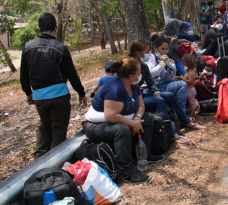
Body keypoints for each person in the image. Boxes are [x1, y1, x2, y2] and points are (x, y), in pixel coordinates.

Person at [20, 12, 87, 159]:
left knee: (45, 126)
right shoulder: (60, 48)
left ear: (38, 28)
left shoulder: (28, 47)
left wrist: (28, 93)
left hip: (39, 97)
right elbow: (71, 74)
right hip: (59, 97)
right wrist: (81, 93)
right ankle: (57, 163)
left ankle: (38, 162)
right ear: (55, 28)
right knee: (58, 128)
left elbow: (24, 75)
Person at [83, 59, 159, 184]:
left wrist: (137, 119)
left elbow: (141, 106)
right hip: (95, 124)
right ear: (131, 76)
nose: (140, 76)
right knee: (121, 130)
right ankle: (128, 173)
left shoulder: (133, 86)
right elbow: (110, 116)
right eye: (139, 73)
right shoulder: (114, 89)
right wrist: (131, 123)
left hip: (122, 118)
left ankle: (145, 154)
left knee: (149, 118)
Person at [146, 36, 205, 130]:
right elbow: (152, 73)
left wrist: (171, 68)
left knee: (176, 82)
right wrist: (162, 63)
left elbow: (166, 78)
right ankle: (182, 118)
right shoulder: (151, 57)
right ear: (155, 48)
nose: (164, 51)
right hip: (152, 88)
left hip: (160, 85)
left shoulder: (159, 59)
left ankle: (180, 117)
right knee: (182, 84)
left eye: (166, 49)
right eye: (162, 49)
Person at [176, 54, 198, 120]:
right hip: (189, 89)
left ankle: (192, 117)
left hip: (190, 90)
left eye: (183, 63)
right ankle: (191, 115)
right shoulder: (188, 71)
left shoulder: (191, 72)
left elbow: (190, 81)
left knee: (193, 104)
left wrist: (182, 79)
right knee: (191, 104)